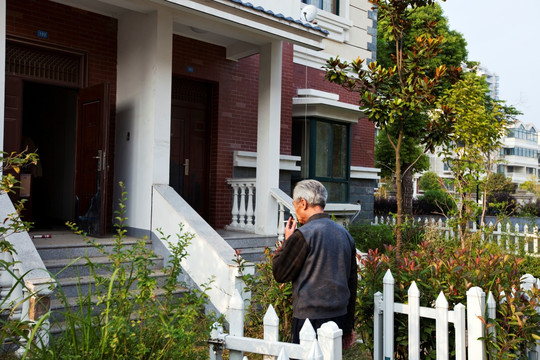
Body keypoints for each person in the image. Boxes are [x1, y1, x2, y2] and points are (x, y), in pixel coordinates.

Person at [272, 179, 357, 349]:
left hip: (308, 320)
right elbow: (352, 283)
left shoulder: (303, 235)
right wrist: (348, 327)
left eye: (295, 204)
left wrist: (287, 242)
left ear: (303, 203)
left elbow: (280, 273)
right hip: (339, 317)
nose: (295, 210)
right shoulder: (345, 235)